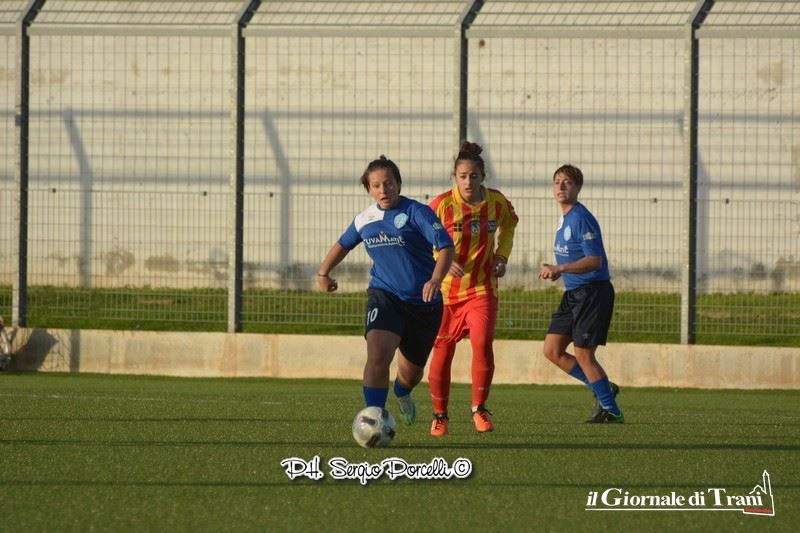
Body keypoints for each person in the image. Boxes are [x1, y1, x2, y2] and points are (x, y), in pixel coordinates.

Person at [317, 156, 454, 428]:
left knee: (411, 374)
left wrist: (436, 279)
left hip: (424, 303)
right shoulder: (364, 220)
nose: (384, 190)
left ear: (398, 184)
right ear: (369, 190)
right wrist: (323, 273)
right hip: (385, 296)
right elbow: (343, 244)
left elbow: (446, 247)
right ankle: (374, 419)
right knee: (378, 355)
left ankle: (402, 392)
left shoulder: (417, 212)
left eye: (389, 183)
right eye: (377, 185)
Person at [427, 142, 518, 436]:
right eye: (463, 176)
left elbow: (510, 226)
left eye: (474, 176)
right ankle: (440, 415)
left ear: (482, 177)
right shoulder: (441, 205)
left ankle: (479, 408)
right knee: (442, 352)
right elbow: (422, 236)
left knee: (482, 342)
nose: (468, 182)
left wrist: (502, 257)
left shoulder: (496, 202)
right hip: (446, 293)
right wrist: (441, 259)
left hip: (482, 288)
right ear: (454, 177)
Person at [538, 164, 623, 423]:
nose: (561, 186)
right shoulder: (565, 218)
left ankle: (612, 411)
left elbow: (595, 260)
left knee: (584, 354)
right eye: (557, 182)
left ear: (578, 187)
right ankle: (604, 388)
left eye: (568, 182)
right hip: (573, 293)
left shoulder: (580, 217)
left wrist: (560, 268)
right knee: (552, 350)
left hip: (592, 293)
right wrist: (557, 271)